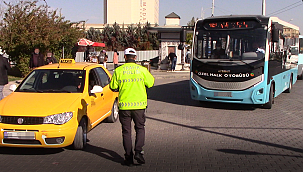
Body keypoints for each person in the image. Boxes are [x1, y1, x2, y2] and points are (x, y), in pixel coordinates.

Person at [110, 48, 154, 166]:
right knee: (140, 128)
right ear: (135, 57)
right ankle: (138, 152)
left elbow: (113, 86)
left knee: (126, 132)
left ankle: (128, 157)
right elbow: (151, 83)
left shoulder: (119, 71)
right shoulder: (142, 70)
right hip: (139, 106)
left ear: (124, 57)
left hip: (124, 106)